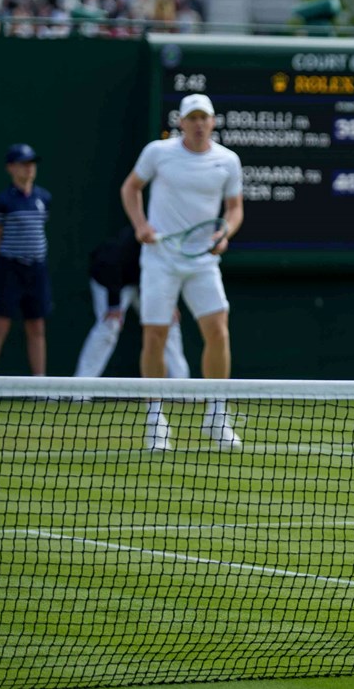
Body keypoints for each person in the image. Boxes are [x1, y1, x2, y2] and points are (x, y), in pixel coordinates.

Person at [120, 93, 244, 451]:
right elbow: (130, 188)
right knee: (155, 336)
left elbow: (235, 208)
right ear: (182, 123)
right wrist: (140, 225)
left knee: (218, 331)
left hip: (203, 260)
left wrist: (226, 233)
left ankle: (217, 416)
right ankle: (155, 420)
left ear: (213, 122)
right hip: (160, 258)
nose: (199, 124)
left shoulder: (228, 161)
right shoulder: (157, 153)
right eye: (193, 118)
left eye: (205, 118)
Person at [73, 226, 190, 379]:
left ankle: (182, 387)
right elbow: (112, 264)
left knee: (168, 323)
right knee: (109, 327)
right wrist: (114, 305)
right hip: (110, 279)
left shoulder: (171, 243)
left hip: (143, 283)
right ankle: (80, 387)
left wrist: (168, 301)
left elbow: (163, 275)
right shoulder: (130, 242)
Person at [0, 144, 52, 376]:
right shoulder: (2, 201)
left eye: (32, 164)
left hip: (37, 269)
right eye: (23, 164)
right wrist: (1, 266)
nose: (29, 168)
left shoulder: (44, 198)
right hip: (9, 269)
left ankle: (40, 386)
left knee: (37, 326)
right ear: (10, 168)